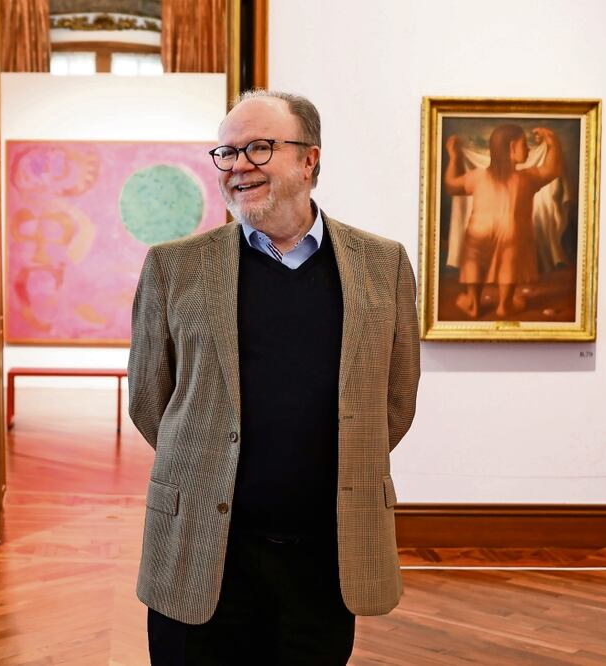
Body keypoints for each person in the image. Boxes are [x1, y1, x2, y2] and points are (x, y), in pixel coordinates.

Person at [128, 89, 420, 664]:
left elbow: (396, 398)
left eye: (258, 149)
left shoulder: (382, 265)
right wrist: (205, 463)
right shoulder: (174, 267)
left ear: (310, 159)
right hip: (200, 551)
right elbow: (149, 398)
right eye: (227, 152)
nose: (238, 166)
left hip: (323, 557)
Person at [444, 124, 564, 318]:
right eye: (524, 144)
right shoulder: (527, 178)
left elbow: (451, 186)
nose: (528, 149)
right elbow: (552, 169)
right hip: (512, 231)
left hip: (479, 230)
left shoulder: (478, 177)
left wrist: (454, 157)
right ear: (511, 147)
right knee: (509, 262)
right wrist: (553, 142)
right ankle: (505, 305)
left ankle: (473, 304)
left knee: (474, 260)